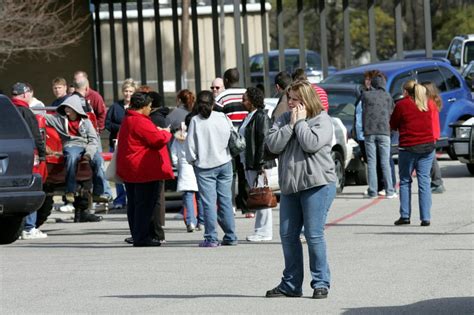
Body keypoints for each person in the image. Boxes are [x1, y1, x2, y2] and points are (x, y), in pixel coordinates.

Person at [265, 80, 337, 299]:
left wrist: (301, 123)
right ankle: (291, 284)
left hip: (317, 184)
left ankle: (321, 283)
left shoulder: (322, 120)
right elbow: (273, 145)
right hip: (290, 186)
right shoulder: (284, 119)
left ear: (306, 100)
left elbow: (311, 144)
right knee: (287, 235)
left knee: (314, 235)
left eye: (295, 99)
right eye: (289, 98)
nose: (290, 103)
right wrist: (289, 126)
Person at [116, 92, 174, 247]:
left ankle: (137, 235)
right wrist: (166, 133)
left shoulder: (128, 119)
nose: (150, 110)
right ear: (142, 107)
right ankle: (142, 237)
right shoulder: (140, 121)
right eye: (149, 107)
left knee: (135, 205)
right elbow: (157, 139)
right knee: (145, 205)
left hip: (130, 169)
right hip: (142, 170)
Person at [185, 90, 238, 247]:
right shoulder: (222, 117)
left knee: (209, 203)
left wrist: (192, 160)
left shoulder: (195, 121)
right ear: (213, 103)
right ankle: (231, 236)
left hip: (205, 166)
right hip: (225, 162)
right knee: (226, 201)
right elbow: (233, 135)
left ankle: (211, 238)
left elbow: (190, 146)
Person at [44, 95, 108, 204]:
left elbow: (93, 139)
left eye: (69, 107)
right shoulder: (59, 119)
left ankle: (98, 192)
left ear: (76, 108)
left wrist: (89, 153)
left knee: (98, 160)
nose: (66, 110)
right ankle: (70, 191)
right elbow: (42, 117)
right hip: (71, 144)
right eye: (65, 107)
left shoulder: (86, 121)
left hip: (87, 145)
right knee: (71, 157)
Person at [390, 80, 435, 226]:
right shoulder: (427, 103)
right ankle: (426, 217)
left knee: (404, 180)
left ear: (405, 91)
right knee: (424, 181)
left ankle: (405, 215)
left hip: (408, 147)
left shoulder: (402, 105)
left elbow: (393, 124)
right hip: (427, 147)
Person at [10, 82, 47, 240]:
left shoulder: (7, 111)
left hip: (10, 156)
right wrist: (43, 154)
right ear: (25, 94)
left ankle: (16, 228)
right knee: (32, 188)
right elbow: (36, 137)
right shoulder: (26, 112)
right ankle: (29, 227)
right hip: (28, 156)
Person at [214, 68, 251, 218]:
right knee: (245, 173)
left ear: (226, 81)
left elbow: (215, 117)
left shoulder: (222, 97)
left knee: (230, 174)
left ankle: (231, 206)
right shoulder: (247, 94)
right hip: (246, 140)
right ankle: (248, 208)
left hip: (228, 141)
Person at [240, 87, 276, 242]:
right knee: (257, 196)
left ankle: (265, 232)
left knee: (262, 196)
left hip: (257, 163)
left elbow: (263, 140)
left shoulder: (261, 116)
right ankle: (259, 230)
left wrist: (260, 162)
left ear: (253, 101)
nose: (243, 102)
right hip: (248, 161)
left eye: (245, 99)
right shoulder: (250, 116)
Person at [361, 73, 397, 199]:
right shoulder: (387, 96)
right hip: (384, 131)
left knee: (371, 162)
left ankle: (372, 191)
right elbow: (392, 111)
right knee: (385, 162)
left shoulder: (365, 95)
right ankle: (390, 191)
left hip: (369, 132)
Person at [105, 78, 138, 209]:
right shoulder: (115, 107)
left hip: (132, 144)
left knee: (131, 172)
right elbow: (107, 123)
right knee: (117, 172)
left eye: (130, 91)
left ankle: (133, 198)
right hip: (116, 143)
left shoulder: (137, 107)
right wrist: (121, 128)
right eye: (126, 91)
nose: (128, 94)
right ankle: (120, 198)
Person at [170, 124, 202, 232]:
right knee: (200, 196)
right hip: (197, 167)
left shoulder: (176, 140)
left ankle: (190, 221)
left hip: (184, 168)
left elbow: (174, 156)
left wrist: (178, 166)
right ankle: (201, 221)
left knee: (188, 196)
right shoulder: (194, 137)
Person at [422, 81, 446, 194]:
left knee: (431, 160)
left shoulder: (428, 103)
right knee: (431, 159)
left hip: (430, 134)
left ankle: (437, 182)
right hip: (433, 134)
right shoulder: (432, 102)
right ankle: (436, 182)